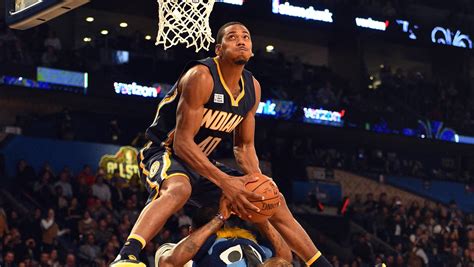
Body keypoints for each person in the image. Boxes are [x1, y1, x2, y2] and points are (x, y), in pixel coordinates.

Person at [111, 22, 331, 267]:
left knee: (274, 199)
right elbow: (183, 143)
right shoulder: (201, 76)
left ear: (251, 50)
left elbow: (244, 147)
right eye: (232, 37)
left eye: (246, 36)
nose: (241, 40)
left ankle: (320, 264)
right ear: (218, 49)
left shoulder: (253, 87)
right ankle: (127, 256)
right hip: (164, 152)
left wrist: (257, 183)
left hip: (201, 163)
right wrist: (227, 182)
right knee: (179, 189)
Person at [156, 196, 292, 267]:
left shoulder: (208, 245)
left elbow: (167, 263)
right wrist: (261, 219)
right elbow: (285, 259)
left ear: (192, 231)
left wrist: (219, 218)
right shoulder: (248, 242)